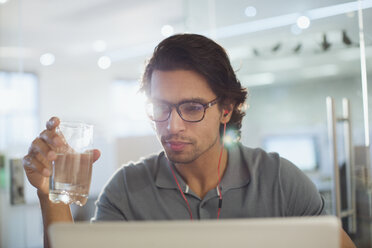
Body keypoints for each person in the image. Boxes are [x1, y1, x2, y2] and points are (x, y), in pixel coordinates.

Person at [23, 34, 355, 248]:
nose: (172, 125)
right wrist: (49, 195)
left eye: (192, 108)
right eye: (160, 108)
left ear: (226, 109)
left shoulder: (279, 180)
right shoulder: (126, 189)